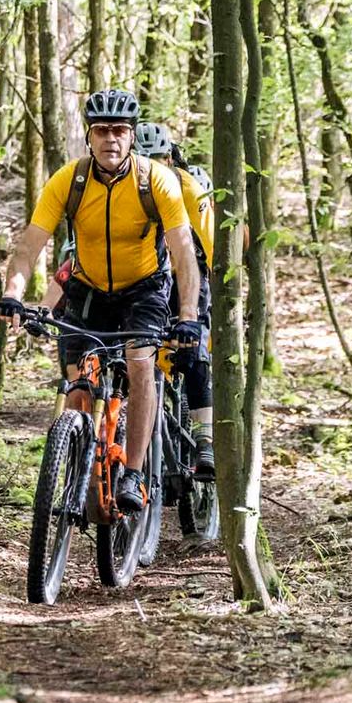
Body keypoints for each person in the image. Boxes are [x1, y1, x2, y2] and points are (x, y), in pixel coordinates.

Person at [0, 89, 204, 513]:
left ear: (131, 137)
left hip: (143, 289)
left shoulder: (156, 181)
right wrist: (13, 293)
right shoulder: (68, 181)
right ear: (89, 137)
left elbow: (183, 252)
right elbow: (30, 244)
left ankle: (134, 473)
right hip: (88, 289)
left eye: (120, 131)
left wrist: (188, 316)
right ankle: (80, 467)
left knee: (141, 361)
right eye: (102, 131)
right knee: (79, 386)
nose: (111, 139)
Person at [134, 121, 216, 479]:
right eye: (145, 158)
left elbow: (211, 248)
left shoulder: (187, 187)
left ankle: (204, 440)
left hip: (190, 273)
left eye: (160, 158)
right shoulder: (126, 184)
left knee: (194, 352)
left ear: (171, 157)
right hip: (147, 277)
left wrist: (211, 306)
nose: (153, 165)